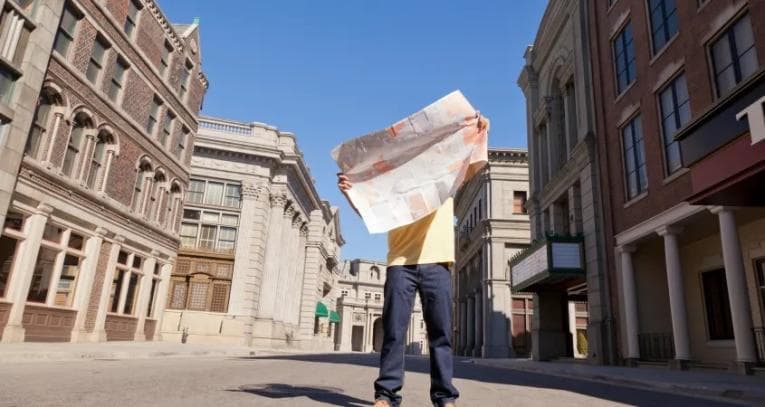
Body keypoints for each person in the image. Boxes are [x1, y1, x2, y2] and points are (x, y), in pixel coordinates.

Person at [337, 116, 488, 407]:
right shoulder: (391, 182)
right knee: (394, 331)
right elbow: (372, 215)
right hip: (400, 262)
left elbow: (476, 165)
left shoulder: (446, 174)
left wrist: (483, 132)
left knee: (440, 333)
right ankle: (386, 395)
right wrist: (350, 194)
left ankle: (445, 397)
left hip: (438, 261)